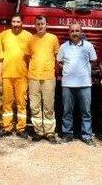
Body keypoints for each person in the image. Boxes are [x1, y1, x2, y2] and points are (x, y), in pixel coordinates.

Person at [57, 22, 98, 146]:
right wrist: (66, 70)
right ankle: (67, 134)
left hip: (84, 84)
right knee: (67, 111)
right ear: (69, 33)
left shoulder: (88, 46)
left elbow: (94, 61)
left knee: (86, 112)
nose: (74, 33)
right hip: (68, 84)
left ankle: (86, 135)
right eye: (72, 31)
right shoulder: (63, 47)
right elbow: (58, 62)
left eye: (77, 31)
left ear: (81, 32)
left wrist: (84, 71)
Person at [0, 13, 32, 138]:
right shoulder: (4, 35)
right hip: (7, 75)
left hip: (22, 75)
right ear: (11, 23)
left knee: (21, 103)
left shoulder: (28, 36)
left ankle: (21, 128)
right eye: (14, 22)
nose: (16, 24)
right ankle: (7, 127)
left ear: (22, 23)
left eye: (18, 22)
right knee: (7, 102)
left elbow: (33, 54)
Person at [27, 15, 60, 143]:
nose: (40, 26)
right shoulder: (31, 39)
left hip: (48, 77)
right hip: (33, 77)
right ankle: (38, 132)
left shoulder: (53, 39)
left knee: (48, 106)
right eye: (38, 24)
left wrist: (56, 73)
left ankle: (50, 132)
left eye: (42, 23)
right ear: (35, 25)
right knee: (34, 106)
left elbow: (57, 58)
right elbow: (28, 57)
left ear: (47, 25)